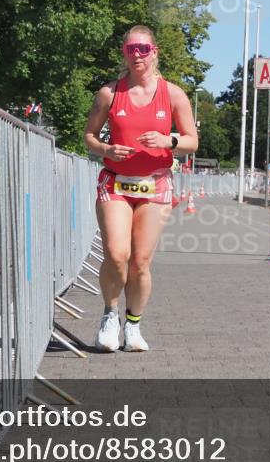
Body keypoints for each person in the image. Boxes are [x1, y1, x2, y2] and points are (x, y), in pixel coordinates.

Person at [83, 26, 198, 352]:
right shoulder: (109, 93)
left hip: (155, 184)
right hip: (116, 183)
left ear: (154, 52)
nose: (137, 55)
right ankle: (110, 315)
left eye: (143, 49)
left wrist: (167, 140)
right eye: (131, 49)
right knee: (117, 254)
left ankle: (133, 326)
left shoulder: (173, 94)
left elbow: (192, 141)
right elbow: (89, 137)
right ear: (124, 53)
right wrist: (106, 149)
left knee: (140, 262)